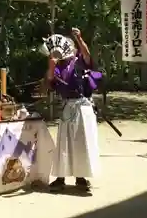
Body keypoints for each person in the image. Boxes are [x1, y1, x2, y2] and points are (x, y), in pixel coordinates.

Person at [44, 27, 102, 192]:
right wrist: (51, 64)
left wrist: (79, 38)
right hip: (68, 106)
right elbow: (50, 79)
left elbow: (87, 54)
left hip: (83, 106)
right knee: (64, 143)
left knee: (82, 143)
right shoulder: (59, 66)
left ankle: (81, 177)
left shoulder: (80, 61)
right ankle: (60, 178)